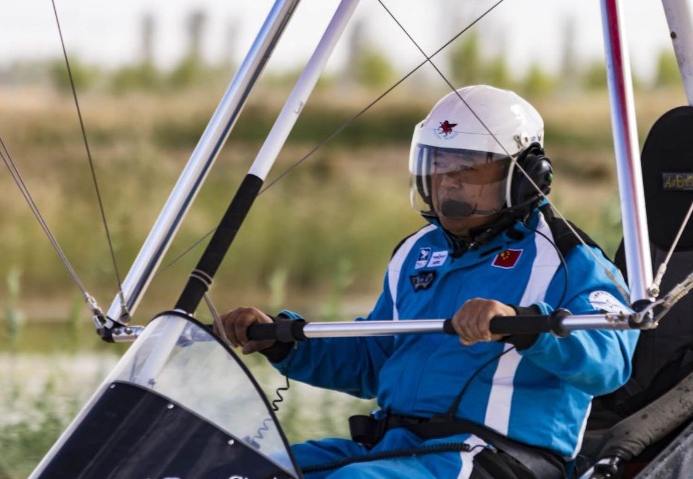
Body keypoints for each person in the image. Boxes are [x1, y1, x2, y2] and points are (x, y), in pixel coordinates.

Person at [221, 85, 639, 479]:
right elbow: (374, 358)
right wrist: (281, 342)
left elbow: (612, 361)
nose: (449, 181)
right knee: (239, 468)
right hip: (395, 448)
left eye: (468, 168)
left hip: (497, 456)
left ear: (527, 174)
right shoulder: (416, 251)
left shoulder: (569, 258)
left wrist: (523, 324)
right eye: (439, 164)